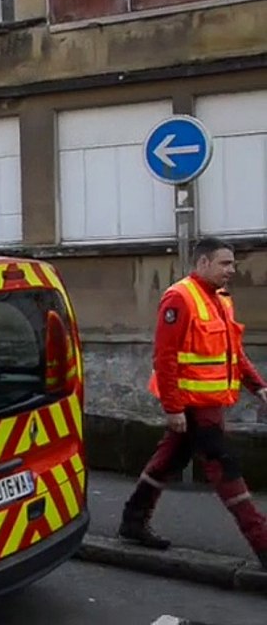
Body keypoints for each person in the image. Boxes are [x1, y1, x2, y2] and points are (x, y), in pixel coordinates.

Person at [118, 237, 267, 567]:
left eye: (232, 263)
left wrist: (258, 387)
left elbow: (233, 353)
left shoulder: (222, 300)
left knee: (168, 460)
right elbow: (165, 357)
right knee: (225, 469)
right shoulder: (180, 298)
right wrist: (173, 408)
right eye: (224, 263)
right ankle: (262, 541)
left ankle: (133, 520)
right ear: (203, 263)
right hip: (193, 406)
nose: (232, 269)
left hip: (208, 403)